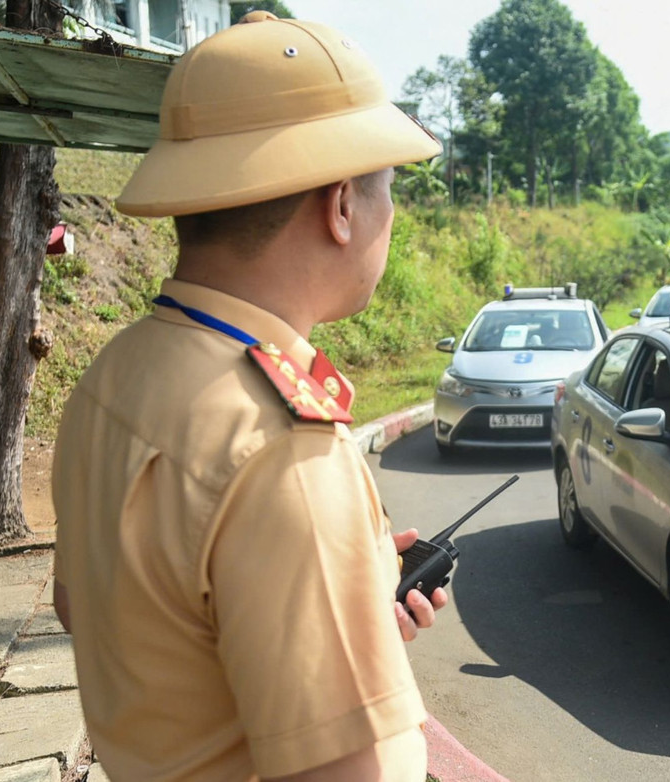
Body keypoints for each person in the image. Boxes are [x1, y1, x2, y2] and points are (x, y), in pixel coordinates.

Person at [51, 13, 447, 781]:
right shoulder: (283, 453)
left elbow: (89, 608)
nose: (390, 216)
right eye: (388, 190)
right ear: (341, 206)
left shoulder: (113, 375)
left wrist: (334, 627)